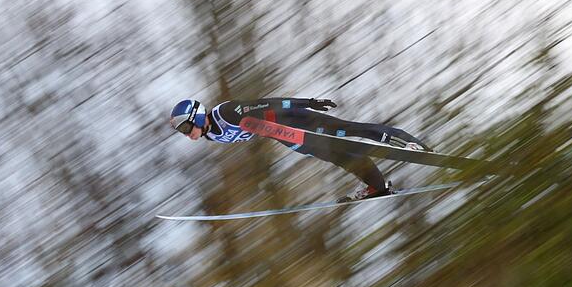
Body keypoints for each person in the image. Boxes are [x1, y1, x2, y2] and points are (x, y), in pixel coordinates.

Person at [169, 97, 433, 201]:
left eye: (185, 129)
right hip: (288, 137)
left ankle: (405, 142)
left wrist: (308, 103)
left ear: (198, 115)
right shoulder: (213, 135)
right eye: (182, 132)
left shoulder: (226, 112)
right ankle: (377, 187)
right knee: (343, 156)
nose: (187, 136)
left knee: (350, 130)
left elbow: (267, 103)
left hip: (295, 121)